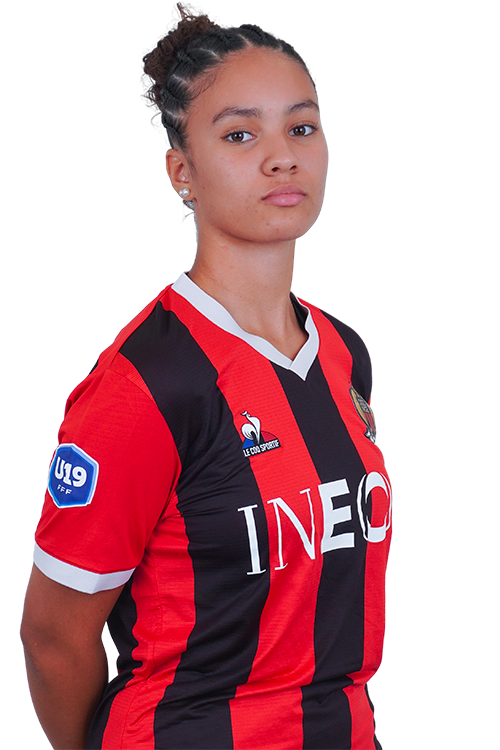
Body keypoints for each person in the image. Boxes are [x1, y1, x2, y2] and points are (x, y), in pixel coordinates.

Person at [20, 2, 392, 748]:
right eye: (240, 134)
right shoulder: (146, 381)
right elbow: (55, 637)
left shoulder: (344, 353)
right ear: (182, 172)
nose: (281, 157)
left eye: (302, 128)